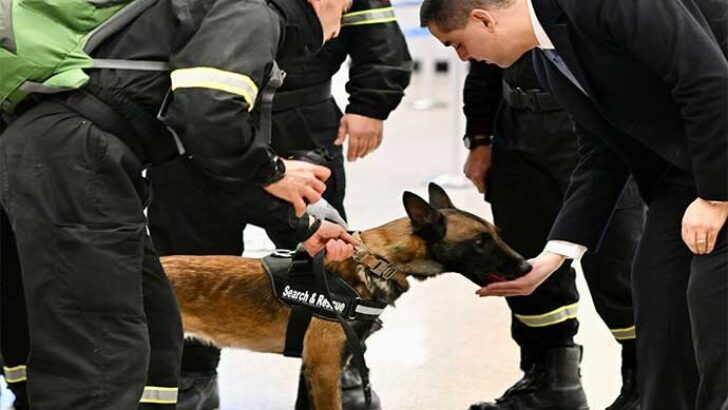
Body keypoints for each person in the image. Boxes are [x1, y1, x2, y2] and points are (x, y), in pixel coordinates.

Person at [0, 0, 357, 408]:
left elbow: (206, 159)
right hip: (76, 161)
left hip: (63, 154)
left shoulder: (219, 16)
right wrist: (272, 170)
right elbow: (207, 114)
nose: (342, 20)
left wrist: (303, 226)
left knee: (156, 322)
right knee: (100, 349)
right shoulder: (253, 10)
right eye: (345, 6)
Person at [420, 0, 728, 408]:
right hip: (688, 169)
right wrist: (555, 255)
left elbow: (708, 82)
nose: (463, 57)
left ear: (483, 19)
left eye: (457, 44)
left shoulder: (603, 6)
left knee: (713, 310)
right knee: (658, 298)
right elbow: (602, 152)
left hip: (718, 158)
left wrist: (715, 195)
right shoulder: (550, 58)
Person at [146, 1, 412, 408]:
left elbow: (368, 19)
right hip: (196, 115)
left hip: (300, 114)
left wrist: (371, 103)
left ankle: (342, 375)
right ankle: (189, 374)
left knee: (328, 262)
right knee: (190, 255)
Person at [462, 58, 644, 410]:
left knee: (620, 269)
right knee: (525, 262)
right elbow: (481, 55)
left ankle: (645, 386)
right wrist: (480, 137)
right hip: (516, 126)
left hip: (595, 123)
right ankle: (552, 381)